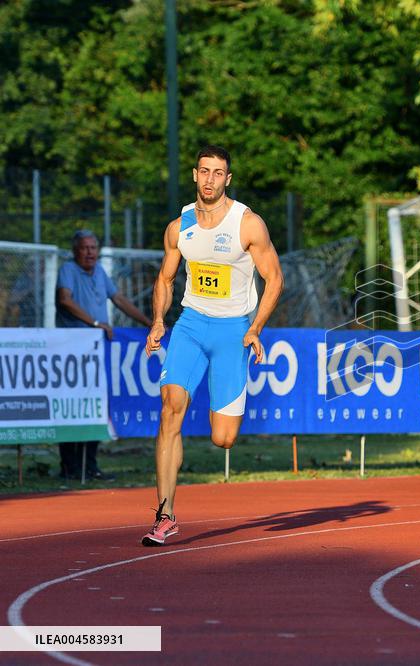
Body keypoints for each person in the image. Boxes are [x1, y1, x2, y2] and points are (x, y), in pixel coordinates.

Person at [142, 146, 284, 545]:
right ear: (194, 174)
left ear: (228, 179)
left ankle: (219, 393)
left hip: (232, 331)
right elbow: (166, 280)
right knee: (171, 406)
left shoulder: (248, 224)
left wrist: (256, 327)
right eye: (204, 172)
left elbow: (274, 279)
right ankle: (164, 514)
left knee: (223, 438)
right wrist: (157, 321)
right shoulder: (179, 226)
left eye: (218, 173)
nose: (210, 180)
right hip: (190, 325)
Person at [55, 229, 152, 481]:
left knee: (96, 405)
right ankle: (69, 466)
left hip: (98, 350)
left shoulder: (99, 271)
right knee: (72, 406)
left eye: (93, 248)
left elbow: (118, 298)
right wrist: (95, 323)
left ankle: (90, 465)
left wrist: (148, 322)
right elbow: (64, 300)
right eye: (85, 248)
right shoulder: (68, 270)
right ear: (75, 250)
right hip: (72, 349)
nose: (90, 253)